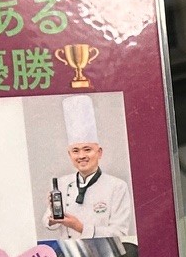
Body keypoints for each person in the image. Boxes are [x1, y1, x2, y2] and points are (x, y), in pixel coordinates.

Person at [47, 95, 137, 244]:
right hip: (68, 253)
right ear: (69, 154)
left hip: (105, 253)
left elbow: (119, 232)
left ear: (99, 152)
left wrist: (80, 227)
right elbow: (48, 222)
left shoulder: (117, 186)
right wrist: (52, 217)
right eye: (75, 151)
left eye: (87, 149)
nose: (81, 156)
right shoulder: (61, 183)